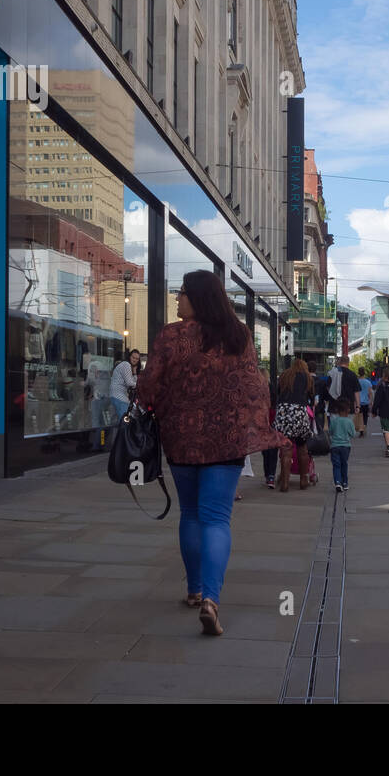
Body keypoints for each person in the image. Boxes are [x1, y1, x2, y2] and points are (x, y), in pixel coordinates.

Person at [135, 270, 276, 637]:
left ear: (198, 297)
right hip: (226, 440)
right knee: (217, 518)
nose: (178, 299)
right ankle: (212, 599)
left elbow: (149, 385)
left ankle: (195, 590)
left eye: (182, 293)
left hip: (182, 439)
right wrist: (250, 423)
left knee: (192, 514)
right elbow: (253, 384)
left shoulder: (171, 335)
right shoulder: (238, 335)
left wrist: (153, 400)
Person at [274, 358, 315, 491]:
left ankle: (285, 482)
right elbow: (311, 397)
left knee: (286, 448)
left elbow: (278, 393)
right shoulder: (307, 377)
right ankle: (303, 480)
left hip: (283, 411)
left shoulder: (285, 375)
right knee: (302, 448)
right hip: (298, 412)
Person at [328, 398, 355, 492]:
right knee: (344, 464)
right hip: (346, 446)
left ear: (337, 410)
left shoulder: (334, 421)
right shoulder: (349, 421)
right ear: (348, 410)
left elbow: (330, 432)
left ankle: (338, 482)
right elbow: (353, 434)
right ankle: (345, 483)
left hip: (334, 446)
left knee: (336, 465)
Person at [109, 348, 141, 418]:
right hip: (120, 397)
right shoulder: (126, 365)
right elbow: (130, 383)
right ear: (129, 356)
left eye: (137, 359)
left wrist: (135, 372)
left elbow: (133, 381)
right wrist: (140, 385)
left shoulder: (127, 366)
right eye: (133, 357)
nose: (135, 360)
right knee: (125, 421)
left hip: (115, 396)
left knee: (117, 422)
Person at [356, 368, 373, 437]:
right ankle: (364, 426)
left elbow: (355, 393)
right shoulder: (368, 382)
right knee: (365, 417)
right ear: (364, 373)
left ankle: (361, 431)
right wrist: (371, 402)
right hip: (366, 402)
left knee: (360, 417)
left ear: (358, 373)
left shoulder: (357, 382)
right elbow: (370, 393)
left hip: (359, 402)